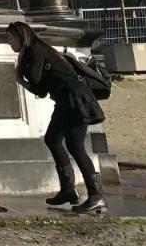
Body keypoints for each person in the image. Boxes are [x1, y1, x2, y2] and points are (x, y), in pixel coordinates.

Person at [7, 20, 107, 214]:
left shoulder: (34, 50)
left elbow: (36, 80)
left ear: (21, 36)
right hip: (65, 102)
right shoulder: (37, 50)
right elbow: (42, 90)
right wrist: (23, 80)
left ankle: (96, 195)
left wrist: (20, 76)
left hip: (76, 101)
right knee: (52, 139)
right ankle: (68, 190)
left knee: (75, 146)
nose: (9, 43)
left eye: (10, 38)